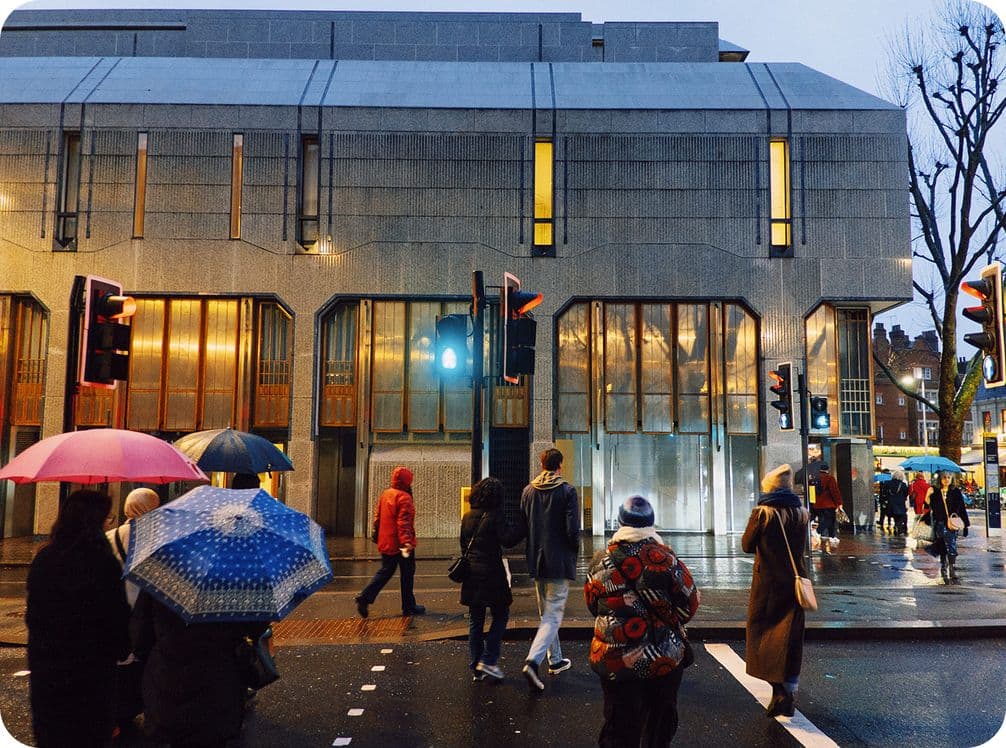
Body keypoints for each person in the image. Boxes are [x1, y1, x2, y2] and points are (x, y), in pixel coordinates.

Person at [584, 495, 700, 747]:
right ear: (651, 523)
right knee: (658, 727)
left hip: (615, 659)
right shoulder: (666, 560)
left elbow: (593, 605)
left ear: (619, 522)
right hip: (662, 658)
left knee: (619, 729)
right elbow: (689, 604)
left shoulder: (599, 562)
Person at [26, 489, 131, 747]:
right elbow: (117, 619)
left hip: (48, 674)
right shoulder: (103, 563)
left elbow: (34, 617)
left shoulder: (45, 559)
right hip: (92, 676)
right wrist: (122, 648)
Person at [131, 590, 268, 747]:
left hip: (168, 684)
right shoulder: (232, 582)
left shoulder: (161, 579)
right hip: (218, 687)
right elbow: (256, 627)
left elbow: (140, 639)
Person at [742, 464, 810, 718]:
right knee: (788, 638)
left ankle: (779, 690)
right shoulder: (801, 513)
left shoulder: (763, 513)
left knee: (762, 636)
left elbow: (747, 545)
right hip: (793, 583)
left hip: (768, 586)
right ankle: (785, 690)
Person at [519, 447, 581, 691]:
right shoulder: (567, 491)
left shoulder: (528, 491)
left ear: (541, 464)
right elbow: (572, 529)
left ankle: (555, 660)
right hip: (559, 559)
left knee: (546, 614)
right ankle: (533, 662)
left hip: (536, 559)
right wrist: (574, 548)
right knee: (553, 615)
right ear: (560, 465)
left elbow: (525, 525)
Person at [106, 487, 161, 731]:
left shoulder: (110, 537)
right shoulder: (158, 539)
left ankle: (118, 712)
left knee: (117, 661)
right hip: (145, 610)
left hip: (117, 608)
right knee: (144, 660)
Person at [460, 477, 522, 682]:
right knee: (501, 614)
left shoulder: (467, 517)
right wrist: (523, 527)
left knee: (475, 621)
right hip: (492, 573)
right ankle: (488, 658)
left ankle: (476, 666)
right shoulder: (495, 516)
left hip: (471, 574)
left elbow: (463, 544)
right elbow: (508, 540)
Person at [355, 466, 426, 617]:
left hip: (386, 541)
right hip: (401, 545)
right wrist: (406, 543)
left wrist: (376, 533)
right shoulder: (404, 498)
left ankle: (365, 597)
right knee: (407, 574)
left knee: (386, 571)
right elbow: (403, 523)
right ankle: (408, 606)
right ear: (407, 481)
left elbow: (377, 516)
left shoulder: (386, 494)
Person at [926, 471, 970, 584]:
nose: (946, 479)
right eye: (944, 477)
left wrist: (966, 525)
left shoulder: (955, 492)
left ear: (952, 479)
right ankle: (944, 568)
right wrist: (928, 495)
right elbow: (929, 507)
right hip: (939, 523)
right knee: (942, 547)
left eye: (949, 477)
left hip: (952, 524)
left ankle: (952, 569)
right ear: (940, 479)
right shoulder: (935, 492)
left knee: (951, 545)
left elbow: (962, 509)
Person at [814, 463, 843, 553]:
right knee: (830, 520)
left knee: (826, 519)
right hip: (828, 504)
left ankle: (832, 536)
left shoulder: (815, 479)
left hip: (817, 504)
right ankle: (818, 531)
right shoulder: (830, 478)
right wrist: (839, 503)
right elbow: (835, 491)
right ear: (827, 470)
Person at [885, 469, 910, 536]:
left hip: (891, 504)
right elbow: (906, 493)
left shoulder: (888, 483)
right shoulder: (903, 484)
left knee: (893, 516)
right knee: (900, 517)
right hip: (900, 504)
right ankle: (897, 527)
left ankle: (894, 525)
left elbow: (885, 493)